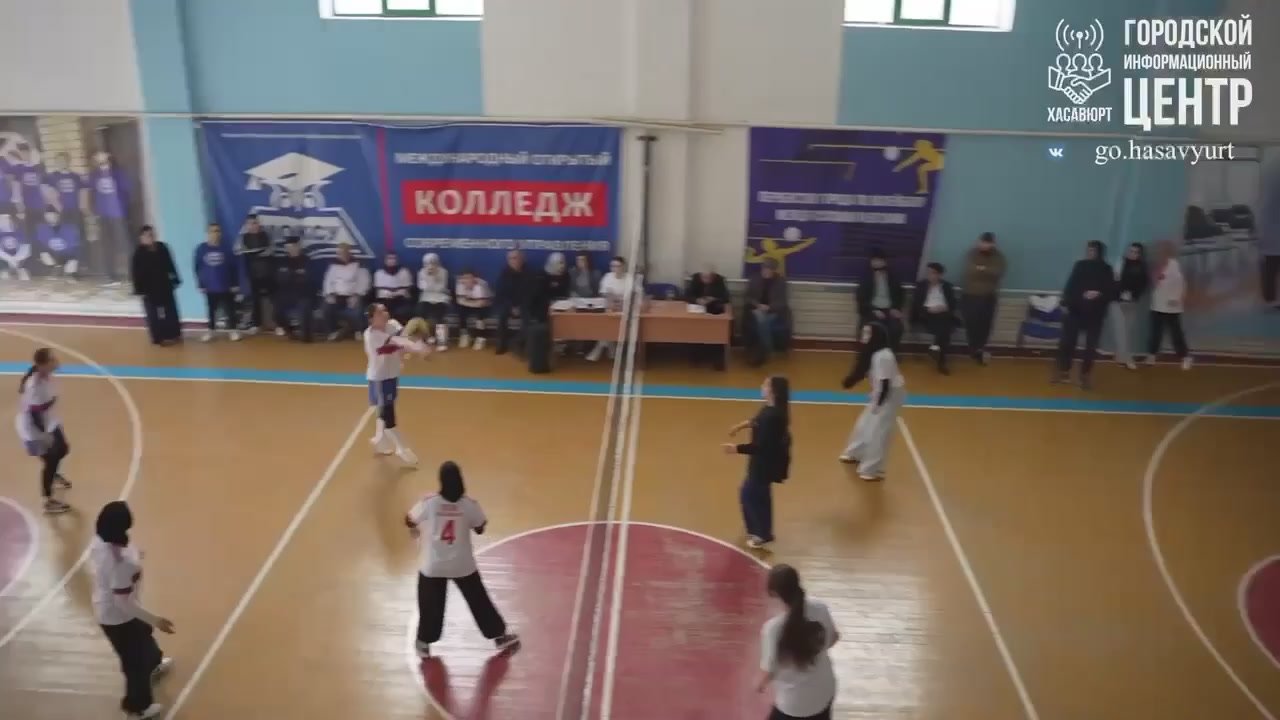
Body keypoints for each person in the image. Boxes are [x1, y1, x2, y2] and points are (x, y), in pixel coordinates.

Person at [405, 461, 520, 659]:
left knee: (430, 604)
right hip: (462, 564)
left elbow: (409, 520)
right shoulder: (469, 505)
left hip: (433, 565)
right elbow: (480, 527)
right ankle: (499, 637)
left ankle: (423, 643)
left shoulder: (429, 503)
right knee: (479, 601)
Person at [91, 501, 176, 719]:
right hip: (118, 618)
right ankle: (137, 707)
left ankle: (153, 663)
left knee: (144, 634)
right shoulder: (123, 564)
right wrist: (156, 619)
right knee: (134, 663)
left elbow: (120, 555)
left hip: (113, 609)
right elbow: (123, 603)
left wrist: (136, 554)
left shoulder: (100, 542)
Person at [758, 564, 839, 720]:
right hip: (825, 690)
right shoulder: (820, 608)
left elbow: (769, 671)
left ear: (774, 594)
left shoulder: (773, 629)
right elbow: (834, 638)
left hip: (793, 705)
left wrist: (759, 685)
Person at [722, 376, 791, 550]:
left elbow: (760, 446)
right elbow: (756, 421)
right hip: (764, 463)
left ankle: (759, 534)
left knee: (748, 495)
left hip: (764, 464)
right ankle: (764, 531)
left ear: (773, 391)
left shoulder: (772, 417)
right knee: (761, 496)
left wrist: (736, 448)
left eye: (765, 385)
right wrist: (740, 426)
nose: (762, 386)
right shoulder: (770, 410)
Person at [365, 302, 430, 464]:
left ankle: (379, 440)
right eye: (380, 313)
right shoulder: (371, 335)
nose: (385, 314)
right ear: (372, 319)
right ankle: (401, 448)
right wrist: (417, 348)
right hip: (380, 379)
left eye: (385, 310)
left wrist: (416, 344)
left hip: (392, 375)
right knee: (389, 415)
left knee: (384, 408)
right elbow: (397, 343)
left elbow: (403, 341)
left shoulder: (393, 324)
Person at [839, 322, 905, 480]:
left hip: (889, 396)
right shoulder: (873, 352)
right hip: (880, 393)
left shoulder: (884, 356)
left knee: (880, 431)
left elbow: (885, 383)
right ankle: (854, 453)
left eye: (868, 333)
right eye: (864, 332)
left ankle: (869, 470)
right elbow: (865, 373)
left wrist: (878, 404)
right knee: (865, 423)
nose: (864, 336)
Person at [16, 348, 73, 514]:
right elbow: (35, 415)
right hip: (34, 430)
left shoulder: (46, 376)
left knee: (63, 449)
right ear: (43, 365)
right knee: (51, 460)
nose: (56, 361)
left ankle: (53, 474)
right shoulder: (34, 386)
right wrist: (45, 436)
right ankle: (47, 500)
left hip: (49, 422)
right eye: (52, 359)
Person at [1053, 241, 1115, 389]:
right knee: (1067, 342)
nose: (1089, 253)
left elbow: (1111, 291)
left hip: (1095, 313)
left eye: (1093, 250)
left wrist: (1098, 294)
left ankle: (1085, 375)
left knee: (1090, 347)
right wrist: (1066, 302)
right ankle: (1064, 372)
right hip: (1076, 309)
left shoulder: (1107, 269)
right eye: (1088, 250)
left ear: (1099, 252)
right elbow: (1071, 285)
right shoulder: (1080, 265)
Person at [130, 226, 182, 346]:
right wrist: (139, 290)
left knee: (171, 311)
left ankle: (174, 333)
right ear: (141, 238)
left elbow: (170, 265)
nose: (151, 237)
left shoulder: (163, 247)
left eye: (152, 234)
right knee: (153, 315)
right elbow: (135, 273)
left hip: (165, 284)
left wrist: (175, 279)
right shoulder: (138, 254)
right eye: (147, 235)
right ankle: (158, 338)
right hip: (148, 288)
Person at [960, 232, 1006, 364]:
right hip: (970, 295)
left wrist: (981, 269)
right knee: (971, 323)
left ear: (992, 244)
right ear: (979, 242)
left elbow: (998, 272)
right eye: (982, 242)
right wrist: (986, 270)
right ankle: (973, 348)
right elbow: (970, 271)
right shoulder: (972, 254)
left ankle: (980, 349)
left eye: (987, 243)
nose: (984, 245)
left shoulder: (998, 256)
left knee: (985, 325)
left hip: (988, 296)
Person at [1148, 240, 1193, 370]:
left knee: (1176, 333)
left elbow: (1182, 284)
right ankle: (1152, 354)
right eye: (1158, 251)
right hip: (1157, 304)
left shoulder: (1174, 265)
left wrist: (1176, 298)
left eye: (1162, 251)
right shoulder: (1156, 266)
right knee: (1155, 332)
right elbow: (1155, 283)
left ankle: (1185, 357)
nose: (1160, 253)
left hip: (1172, 306)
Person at [194, 223, 242, 343]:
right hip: (210, 287)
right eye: (213, 231)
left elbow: (234, 267)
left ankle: (233, 330)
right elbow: (197, 267)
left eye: (217, 231)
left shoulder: (226, 248)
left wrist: (235, 284)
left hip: (226, 285)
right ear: (208, 233)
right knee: (211, 310)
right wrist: (200, 284)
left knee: (230, 309)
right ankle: (211, 331)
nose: (215, 233)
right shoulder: (201, 249)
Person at [910, 262, 959, 375]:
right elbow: (916, 305)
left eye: (933, 273)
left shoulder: (947, 286)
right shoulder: (921, 285)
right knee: (945, 328)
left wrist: (944, 307)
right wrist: (928, 309)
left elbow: (952, 304)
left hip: (943, 314)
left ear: (939, 275)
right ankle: (940, 359)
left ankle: (936, 349)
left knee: (944, 323)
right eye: (928, 273)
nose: (930, 275)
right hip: (926, 315)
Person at [90, 151, 131, 283]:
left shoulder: (118, 173)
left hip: (118, 214)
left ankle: (133, 273)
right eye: (97, 157)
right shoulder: (94, 175)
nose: (98, 159)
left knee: (124, 244)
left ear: (108, 158)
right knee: (106, 245)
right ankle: (109, 274)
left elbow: (126, 190)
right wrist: (94, 213)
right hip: (103, 215)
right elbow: (92, 193)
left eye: (101, 156)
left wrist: (124, 208)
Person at [855, 249, 904, 350]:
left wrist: (896, 308)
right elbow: (860, 298)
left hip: (889, 310)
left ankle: (890, 353)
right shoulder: (866, 277)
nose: (876, 263)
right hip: (870, 310)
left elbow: (900, 295)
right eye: (874, 260)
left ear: (885, 262)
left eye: (879, 260)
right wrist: (873, 310)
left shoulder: (892, 277)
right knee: (866, 330)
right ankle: (866, 354)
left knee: (897, 328)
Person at [1110, 243, 1149, 370]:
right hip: (1117, 301)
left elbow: (1144, 284)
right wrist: (1121, 292)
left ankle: (1123, 357)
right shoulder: (1120, 263)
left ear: (1140, 254)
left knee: (1128, 331)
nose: (1133, 254)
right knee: (1120, 330)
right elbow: (1115, 280)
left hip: (1132, 302)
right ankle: (1125, 358)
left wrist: (1133, 294)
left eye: (1136, 252)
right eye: (1131, 251)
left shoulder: (1142, 266)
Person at [744, 258, 790, 366]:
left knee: (763, 321)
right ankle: (768, 351)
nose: (765, 272)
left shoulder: (781, 282)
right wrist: (757, 305)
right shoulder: (755, 279)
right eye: (764, 269)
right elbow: (747, 297)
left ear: (774, 271)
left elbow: (782, 302)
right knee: (761, 319)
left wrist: (769, 307)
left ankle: (763, 351)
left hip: (773, 311)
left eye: (768, 270)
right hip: (756, 308)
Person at [685, 264, 731, 369]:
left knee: (718, 331)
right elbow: (686, 295)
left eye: (708, 277)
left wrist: (714, 299)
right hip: (697, 312)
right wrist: (697, 300)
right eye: (704, 277)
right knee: (693, 328)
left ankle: (717, 359)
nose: (706, 280)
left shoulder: (719, 280)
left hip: (714, 312)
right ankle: (695, 357)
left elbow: (726, 298)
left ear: (713, 275)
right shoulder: (696, 278)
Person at [235, 214, 274, 333]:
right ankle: (256, 324)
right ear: (247, 225)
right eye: (250, 224)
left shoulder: (266, 235)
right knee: (255, 300)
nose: (253, 226)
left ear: (259, 224)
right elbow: (239, 251)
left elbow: (271, 250)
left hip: (267, 273)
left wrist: (263, 253)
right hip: (252, 274)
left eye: (255, 223)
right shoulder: (243, 238)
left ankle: (274, 323)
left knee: (271, 299)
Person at [587, 256, 630, 362]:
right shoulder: (607, 277)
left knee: (611, 322)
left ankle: (600, 348)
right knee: (605, 321)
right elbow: (604, 293)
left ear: (623, 266)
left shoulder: (629, 278)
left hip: (625, 309)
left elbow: (632, 295)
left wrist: (621, 301)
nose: (615, 269)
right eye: (613, 266)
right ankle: (610, 347)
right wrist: (613, 300)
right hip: (611, 308)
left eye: (618, 266)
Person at [272, 236, 316, 342]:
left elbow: (309, 279)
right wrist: (295, 275)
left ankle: (306, 335)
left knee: (305, 305)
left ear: (298, 246)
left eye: (293, 247)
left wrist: (289, 275)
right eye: (288, 247)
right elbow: (279, 279)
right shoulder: (282, 261)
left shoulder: (307, 261)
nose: (291, 249)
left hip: (303, 293)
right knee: (276, 311)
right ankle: (289, 331)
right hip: (286, 293)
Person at [323, 244, 368, 341]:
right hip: (337, 296)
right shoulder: (333, 266)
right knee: (326, 307)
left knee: (358, 306)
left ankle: (358, 331)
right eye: (339, 253)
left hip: (352, 296)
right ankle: (332, 331)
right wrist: (330, 294)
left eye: (344, 253)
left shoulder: (358, 265)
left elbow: (364, 282)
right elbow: (328, 282)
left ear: (349, 253)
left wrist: (356, 295)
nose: (342, 255)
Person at [493, 250, 534, 355]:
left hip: (524, 304)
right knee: (501, 316)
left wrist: (520, 307)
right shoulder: (504, 274)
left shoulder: (530, 273)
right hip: (508, 304)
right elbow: (500, 293)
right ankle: (502, 344)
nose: (513, 261)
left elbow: (531, 293)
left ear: (522, 259)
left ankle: (519, 343)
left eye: (516, 258)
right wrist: (511, 307)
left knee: (529, 319)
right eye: (511, 258)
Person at [416, 253, 452, 348]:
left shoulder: (443, 272)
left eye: (433, 263)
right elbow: (422, 287)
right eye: (427, 263)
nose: (431, 266)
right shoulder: (421, 272)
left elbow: (441, 287)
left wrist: (433, 277)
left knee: (440, 315)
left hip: (441, 297)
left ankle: (442, 341)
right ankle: (428, 336)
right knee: (420, 312)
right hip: (426, 297)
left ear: (437, 263)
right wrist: (429, 278)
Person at [35, 206, 82, 280]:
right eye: (48, 216)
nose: (50, 218)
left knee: (70, 273)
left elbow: (74, 249)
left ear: (58, 215)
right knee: (44, 254)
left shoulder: (69, 228)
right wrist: (54, 265)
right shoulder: (42, 229)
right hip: (53, 259)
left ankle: (67, 272)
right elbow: (40, 248)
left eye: (52, 215)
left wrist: (72, 261)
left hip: (68, 257)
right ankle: (55, 270)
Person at [454, 268, 493, 350]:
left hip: (485, 304)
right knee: (460, 312)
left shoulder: (481, 285)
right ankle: (464, 335)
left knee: (480, 316)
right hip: (472, 303)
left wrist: (467, 302)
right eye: (464, 278)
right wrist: (471, 303)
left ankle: (480, 337)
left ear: (474, 278)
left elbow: (482, 303)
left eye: (469, 278)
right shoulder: (459, 284)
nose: (467, 280)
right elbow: (459, 301)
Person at [373, 251, 415, 324]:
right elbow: (378, 291)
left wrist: (396, 293)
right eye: (389, 258)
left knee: (403, 311)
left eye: (394, 258)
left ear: (397, 260)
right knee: (381, 311)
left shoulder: (404, 272)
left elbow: (407, 289)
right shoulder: (379, 273)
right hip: (384, 300)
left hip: (401, 300)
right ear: (385, 260)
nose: (392, 261)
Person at [0, 212, 31, 281]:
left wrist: (17, 260)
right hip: (4, 261)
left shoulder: (19, 232)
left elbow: (26, 249)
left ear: (10, 220)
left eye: (5, 219)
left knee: (25, 276)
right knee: (4, 276)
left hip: (19, 261)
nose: (3, 221)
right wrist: (10, 260)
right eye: (1, 219)